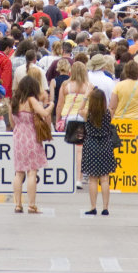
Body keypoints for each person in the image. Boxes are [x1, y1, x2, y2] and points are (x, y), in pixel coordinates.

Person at [9, 76, 53, 214]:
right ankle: (31, 205)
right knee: (32, 172)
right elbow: (44, 113)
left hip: (18, 137)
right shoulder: (31, 100)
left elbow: (12, 122)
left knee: (19, 172)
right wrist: (51, 104)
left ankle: (17, 204)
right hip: (32, 137)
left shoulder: (14, 101)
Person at [79, 88, 117, 215]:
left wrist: (85, 96)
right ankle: (105, 207)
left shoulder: (87, 114)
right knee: (105, 179)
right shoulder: (108, 113)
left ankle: (93, 206)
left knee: (93, 179)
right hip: (105, 144)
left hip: (91, 145)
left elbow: (79, 109)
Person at [55, 61, 91, 189]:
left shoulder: (66, 85)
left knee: (66, 147)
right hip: (81, 118)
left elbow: (60, 104)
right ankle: (79, 179)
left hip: (67, 117)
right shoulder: (89, 87)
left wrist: (57, 120)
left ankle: (65, 176)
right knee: (80, 150)